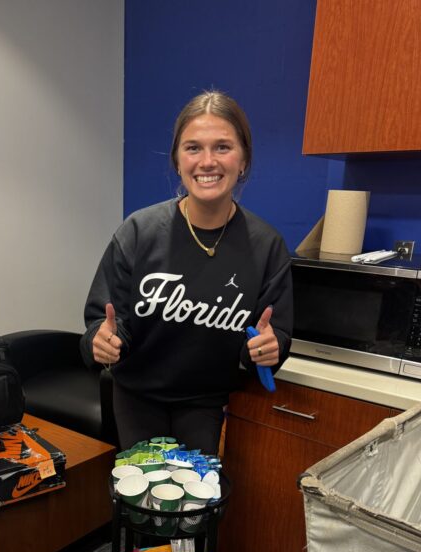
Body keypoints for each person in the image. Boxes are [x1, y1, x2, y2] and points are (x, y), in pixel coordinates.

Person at [80, 90, 293, 454]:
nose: (207, 161)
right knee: (142, 504)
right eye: (193, 148)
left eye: (222, 147)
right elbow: (102, 324)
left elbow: (276, 336)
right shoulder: (138, 232)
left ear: (243, 160)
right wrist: (100, 343)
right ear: (178, 161)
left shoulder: (266, 245)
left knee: (195, 507)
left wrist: (270, 349)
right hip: (137, 396)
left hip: (209, 403)